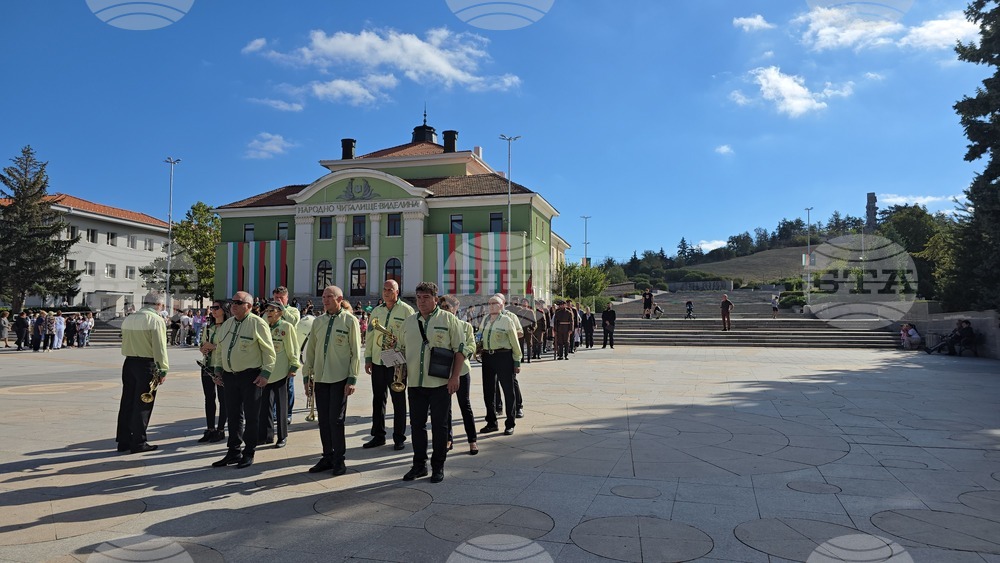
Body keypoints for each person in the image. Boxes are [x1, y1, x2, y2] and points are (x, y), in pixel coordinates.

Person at [398, 282, 465, 483]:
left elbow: (460, 350)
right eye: (418, 297)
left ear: (436, 299)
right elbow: (400, 348)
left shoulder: (448, 320)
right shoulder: (409, 322)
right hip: (416, 384)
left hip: (439, 384)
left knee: (440, 426)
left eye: (426, 297)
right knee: (417, 426)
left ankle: (438, 466)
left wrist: (455, 377)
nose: (421, 301)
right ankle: (419, 465)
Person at [211, 291, 276, 469]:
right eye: (232, 302)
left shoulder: (257, 323)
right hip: (229, 376)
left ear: (249, 305)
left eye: (238, 302)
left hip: (250, 376)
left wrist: (265, 374)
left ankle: (249, 452)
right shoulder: (227, 324)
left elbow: (269, 352)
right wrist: (218, 370)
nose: (233, 305)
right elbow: (220, 350)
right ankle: (233, 451)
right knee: (232, 415)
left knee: (251, 415)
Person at [303, 285, 361, 477]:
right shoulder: (318, 322)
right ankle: (327, 456)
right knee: (324, 421)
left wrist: (352, 378)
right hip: (320, 378)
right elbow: (310, 351)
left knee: (336, 421)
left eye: (330, 296)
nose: (325, 300)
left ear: (339, 298)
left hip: (340, 378)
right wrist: (307, 376)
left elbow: (355, 352)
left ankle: (339, 460)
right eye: (323, 296)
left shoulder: (350, 321)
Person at [363, 279, 414, 451]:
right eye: (384, 289)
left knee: (398, 400)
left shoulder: (407, 310)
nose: (386, 292)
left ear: (397, 291)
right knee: (378, 399)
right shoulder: (376, 311)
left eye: (390, 289)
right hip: (378, 360)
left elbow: (411, 336)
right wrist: (368, 358)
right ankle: (378, 435)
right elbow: (370, 336)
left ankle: (399, 437)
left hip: (397, 361)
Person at [116, 292, 169, 454]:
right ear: (159, 305)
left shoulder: (130, 318)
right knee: (143, 403)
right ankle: (139, 441)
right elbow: (160, 347)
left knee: (127, 401)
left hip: (129, 362)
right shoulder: (156, 320)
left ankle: (124, 439)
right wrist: (162, 368)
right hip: (147, 364)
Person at [478, 294, 524, 436]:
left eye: (495, 303)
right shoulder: (485, 319)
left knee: (508, 390)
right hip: (487, 357)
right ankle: (491, 422)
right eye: (490, 303)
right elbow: (479, 335)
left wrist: (517, 361)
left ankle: (510, 423)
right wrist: (477, 347)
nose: (491, 305)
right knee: (488, 391)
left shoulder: (507, 320)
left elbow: (515, 343)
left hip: (503, 356)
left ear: (502, 305)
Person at [439, 295, 479, 455]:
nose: (444, 309)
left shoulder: (465, 326)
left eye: (447, 306)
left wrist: (461, 353)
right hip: (442, 371)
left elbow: (471, 345)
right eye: (442, 306)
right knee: (444, 407)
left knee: (465, 405)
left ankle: (472, 440)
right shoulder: (437, 326)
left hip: (461, 370)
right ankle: (448, 438)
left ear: (456, 308)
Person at [260, 300, 300, 448]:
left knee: (282, 406)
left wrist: (294, 366)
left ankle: (282, 436)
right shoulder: (264, 326)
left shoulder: (286, 327)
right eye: (268, 310)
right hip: (266, 372)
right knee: (265, 405)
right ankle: (266, 435)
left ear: (280, 313)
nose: (269, 313)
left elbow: (292, 347)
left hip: (281, 371)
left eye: (272, 310)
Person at [197, 300, 228, 443]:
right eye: (212, 308)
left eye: (216, 308)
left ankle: (220, 429)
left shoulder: (228, 326)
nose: (213, 311)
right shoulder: (209, 327)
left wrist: (214, 346)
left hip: (221, 366)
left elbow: (227, 345)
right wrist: (203, 348)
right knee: (209, 398)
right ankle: (210, 428)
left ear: (223, 310)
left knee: (223, 399)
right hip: (208, 365)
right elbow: (203, 343)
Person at [272, 286, 300, 424]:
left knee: (288, 386)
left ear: (286, 298)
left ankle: (287, 413)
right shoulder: (270, 312)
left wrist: (282, 309)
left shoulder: (293, 310)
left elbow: (293, 321)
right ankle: (274, 413)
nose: (278, 300)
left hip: (288, 354)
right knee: (272, 386)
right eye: (276, 298)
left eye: (281, 298)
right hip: (273, 354)